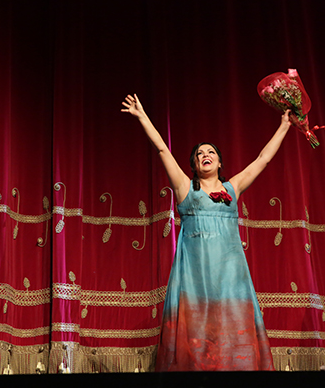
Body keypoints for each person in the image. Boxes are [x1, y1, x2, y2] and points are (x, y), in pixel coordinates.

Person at [121, 94, 293, 371]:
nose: (205, 156)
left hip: (230, 275)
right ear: (194, 164)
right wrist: (142, 116)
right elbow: (163, 150)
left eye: (210, 152)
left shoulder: (232, 188)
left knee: (231, 326)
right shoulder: (185, 188)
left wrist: (284, 125)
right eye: (200, 153)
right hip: (194, 274)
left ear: (220, 162)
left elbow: (263, 159)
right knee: (195, 331)